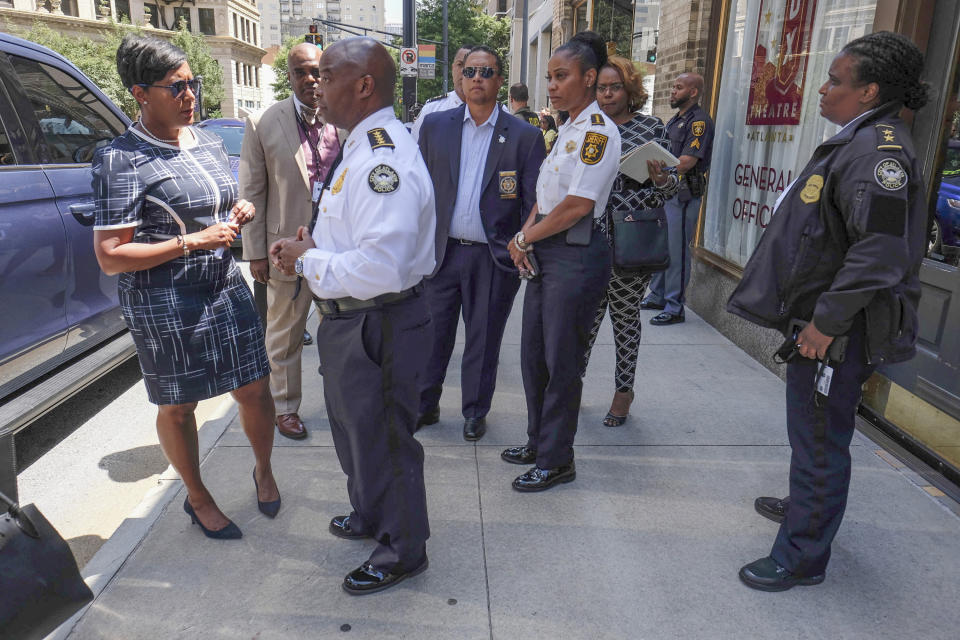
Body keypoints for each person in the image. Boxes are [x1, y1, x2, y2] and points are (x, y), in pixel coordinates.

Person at [728, 31, 929, 591]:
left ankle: (801, 556)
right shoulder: (858, 139)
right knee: (811, 431)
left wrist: (824, 325)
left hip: (841, 330)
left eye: (835, 81)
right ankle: (804, 509)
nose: (821, 89)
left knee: (820, 437)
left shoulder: (878, 151)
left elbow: (879, 253)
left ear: (868, 92)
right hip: (826, 322)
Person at [92, 35, 280, 540]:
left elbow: (224, 205)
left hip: (222, 284)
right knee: (178, 406)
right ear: (140, 93)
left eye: (192, 83)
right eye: (176, 87)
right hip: (164, 300)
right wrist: (192, 240)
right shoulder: (121, 159)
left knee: (255, 389)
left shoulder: (209, 142)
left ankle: (263, 469)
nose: (190, 95)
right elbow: (110, 256)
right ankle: (197, 497)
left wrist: (241, 211)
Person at [270, 37, 435, 595]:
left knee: (383, 440)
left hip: (377, 320)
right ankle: (371, 513)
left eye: (330, 73)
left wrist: (307, 258)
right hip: (352, 319)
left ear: (364, 85)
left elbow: (382, 267)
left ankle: (402, 550)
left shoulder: (380, 156)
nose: (317, 82)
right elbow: (359, 238)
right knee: (355, 433)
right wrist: (317, 242)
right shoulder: (361, 145)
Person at [499, 31, 622, 492]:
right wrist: (523, 239)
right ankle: (538, 441)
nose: (551, 85)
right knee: (534, 356)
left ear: (589, 78)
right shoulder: (568, 127)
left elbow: (577, 205)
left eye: (561, 76)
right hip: (547, 248)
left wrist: (526, 236)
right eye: (549, 77)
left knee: (561, 360)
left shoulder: (597, 132)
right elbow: (545, 198)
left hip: (576, 254)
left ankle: (557, 459)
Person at [416, 46, 546, 441]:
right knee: (432, 335)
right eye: (471, 71)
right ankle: (425, 404)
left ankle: (475, 410)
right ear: (461, 77)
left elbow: (534, 199)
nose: (476, 78)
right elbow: (417, 190)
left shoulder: (525, 136)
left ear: (499, 80)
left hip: (493, 256)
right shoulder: (434, 127)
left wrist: (521, 243)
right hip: (442, 254)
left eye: (486, 71)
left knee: (483, 339)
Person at [240, 43, 345, 441]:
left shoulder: (345, 120)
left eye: (317, 71)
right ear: (290, 76)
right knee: (283, 334)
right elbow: (252, 191)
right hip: (284, 249)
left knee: (340, 329)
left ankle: (343, 400)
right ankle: (285, 407)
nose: (311, 80)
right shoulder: (263, 121)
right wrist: (254, 254)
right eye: (302, 72)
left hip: (334, 248)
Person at [582, 55, 679, 426]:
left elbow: (672, 186)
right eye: (601, 88)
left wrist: (660, 182)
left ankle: (623, 392)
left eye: (614, 87)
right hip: (588, 239)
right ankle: (571, 386)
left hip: (632, 237)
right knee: (584, 322)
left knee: (624, 319)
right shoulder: (585, 127)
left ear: (629, 90)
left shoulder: (652, 128)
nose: (607, 95)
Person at [641, 72, 714, 325]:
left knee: (677, 250)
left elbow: (687, 162)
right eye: (673, 86)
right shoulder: (675, 121)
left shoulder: (699, 122)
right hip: (667, 191)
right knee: (663, 246)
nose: (673, 91)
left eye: (679, 87)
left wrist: (656, 166)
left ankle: (674, 307)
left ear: (693, 92)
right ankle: (659, 294)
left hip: (683, 194)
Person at [409, 44, 472, 142]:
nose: (464, 71)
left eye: (470, 67)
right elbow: (415, 150)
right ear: (452, 69)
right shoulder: (431, 110)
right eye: (460, 65)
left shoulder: (493, 112)